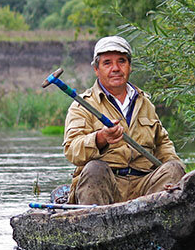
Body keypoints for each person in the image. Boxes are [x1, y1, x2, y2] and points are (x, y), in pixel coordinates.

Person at [64, 36, 185, 205]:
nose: (115, 68)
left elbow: (163, 145)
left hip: (145, 186)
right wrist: (100, 138)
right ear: (96, 69)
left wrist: (179, 174)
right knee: (94, 169)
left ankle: (156, 220)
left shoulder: (145, 103)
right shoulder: (82, 105)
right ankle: (96, 227)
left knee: (173, 168)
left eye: (121, 61)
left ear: (129, 67)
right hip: (105, 185)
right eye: (107, 63)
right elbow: (72, 150)